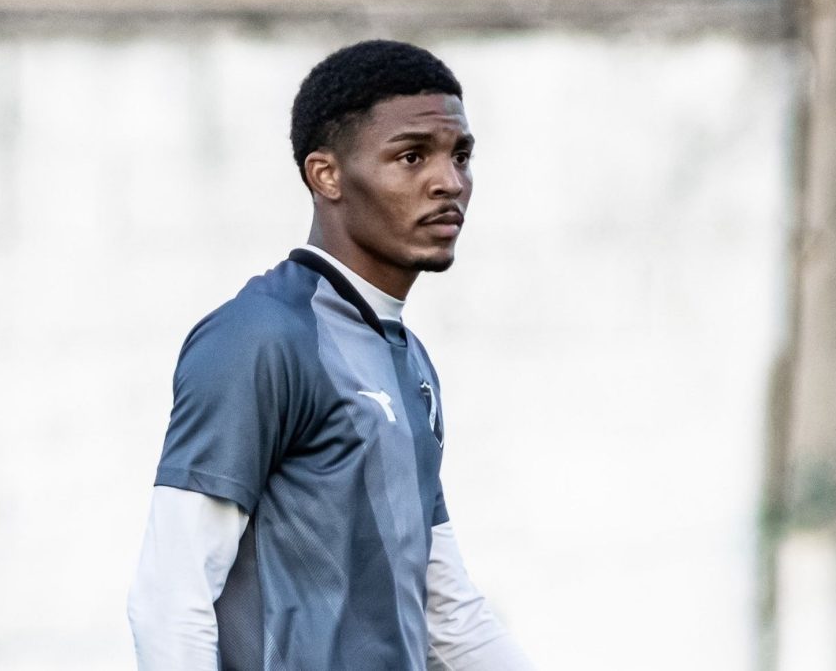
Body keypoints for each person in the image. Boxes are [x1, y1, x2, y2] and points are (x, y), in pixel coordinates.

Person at [128, 39, 534, 670]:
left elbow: (448, 615)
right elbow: (169, 601)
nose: (449, 182)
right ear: (327, 175)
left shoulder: (409, 360)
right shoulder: (261, 336)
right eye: (411, 156)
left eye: (460, 155)